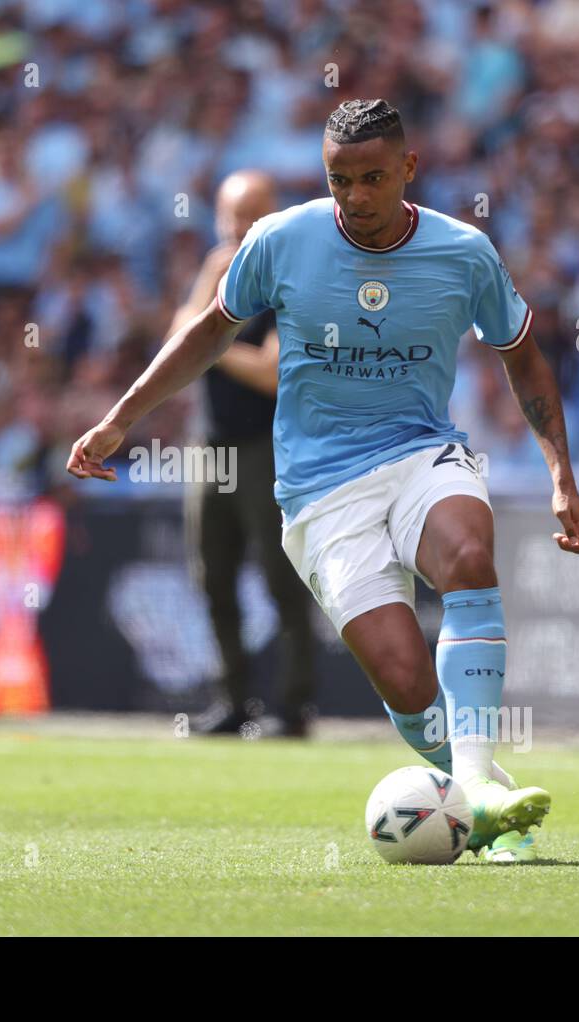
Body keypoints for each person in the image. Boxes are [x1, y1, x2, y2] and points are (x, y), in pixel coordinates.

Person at [68, 99, 579, 861]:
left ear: (409, 169)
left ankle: (476, 788)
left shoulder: (464, 252)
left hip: (420, 453)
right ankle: (483, 800)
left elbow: (523, 358)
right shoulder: (281, 241)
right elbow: (208, 334)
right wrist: (121, 416)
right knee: (405, 678)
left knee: (469, 557)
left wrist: (561, 476)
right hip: (320, 491)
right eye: (339, 180)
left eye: (372, 178)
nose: (354, 197)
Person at [167, 170, 317, 737]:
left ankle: (294, 705)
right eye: (231, 217)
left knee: (283, 577)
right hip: (210, 446)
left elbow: (273, 373)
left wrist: (211, 343)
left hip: (267, 447)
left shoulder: (285, 281)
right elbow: (175, 345)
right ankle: (234, 700)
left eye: (251, 215)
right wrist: (206, 292)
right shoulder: (217, 273)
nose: (238, 229)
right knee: (214, 577)